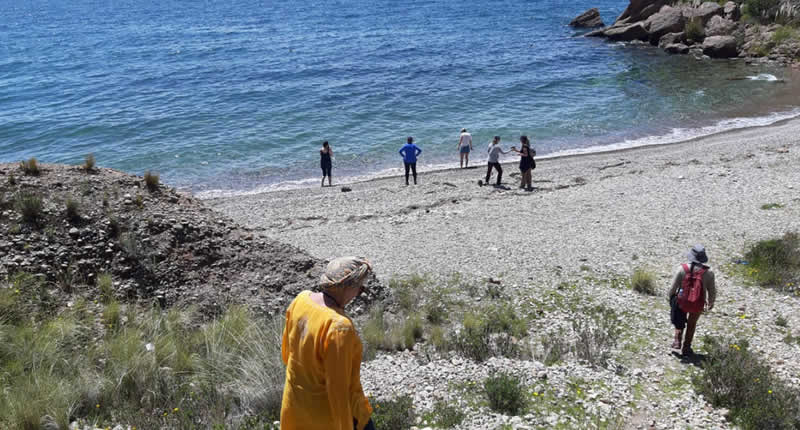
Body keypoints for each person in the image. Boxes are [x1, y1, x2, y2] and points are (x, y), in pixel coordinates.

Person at [281, 257, 376, 430]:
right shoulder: (339, 327)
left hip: (296, 408)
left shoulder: (300, 300)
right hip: (331, 417)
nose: (359, 294)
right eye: (360, 288)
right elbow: (338, 390)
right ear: (347, 286)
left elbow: (287, 355)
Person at [667, 245, 717, 357]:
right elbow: (712, 291)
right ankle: (687, 347)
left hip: (682, 300)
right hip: (698, 303)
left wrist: (671, 299)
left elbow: (673, 288)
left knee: (679, 317)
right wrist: (711, 302)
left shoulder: (682, 269)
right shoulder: (709, 273)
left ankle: (677, 340)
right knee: (692, 323)